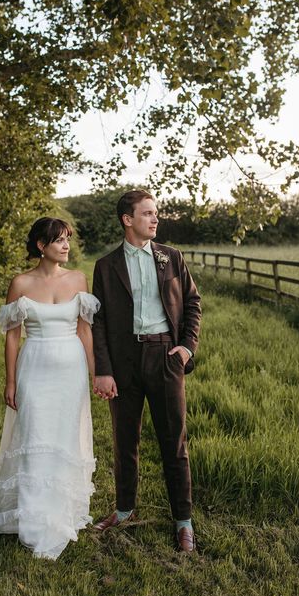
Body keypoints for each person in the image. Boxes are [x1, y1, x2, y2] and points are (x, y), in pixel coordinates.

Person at [91, 190, 201, 552]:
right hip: (123, 364)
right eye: (148, 214)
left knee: (174, 442)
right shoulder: (106, 266)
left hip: (165, 357)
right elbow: (100, 322)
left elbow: (192, 303)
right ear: (128, 219)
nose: (155, 219)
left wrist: (186, 348)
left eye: (156, 213)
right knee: (125, 441)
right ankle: (124, 510)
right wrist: (103, 370)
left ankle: (183, 522)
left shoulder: (171, 257)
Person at [0, 217, 100, 560]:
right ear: (41, 245)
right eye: (60, 240)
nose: (66, 246)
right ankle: (32, 517)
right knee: (34, 435)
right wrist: (9, 380)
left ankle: (61, 509)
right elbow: (12, 336)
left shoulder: (79, 278)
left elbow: (85, 331)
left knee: (64, 437)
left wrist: (95, 374)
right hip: (34, 368)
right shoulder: (20, 282)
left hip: (71, 370)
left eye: (67, 240)